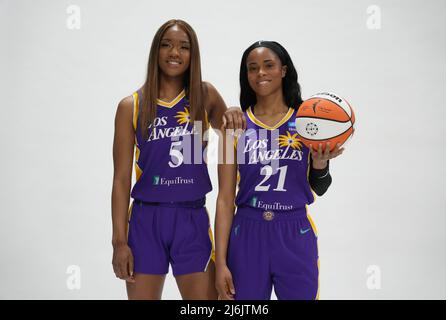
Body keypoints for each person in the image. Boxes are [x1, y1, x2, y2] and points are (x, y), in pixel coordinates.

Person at [111, 19, 240, 300]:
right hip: (146, 221)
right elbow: (121, 179)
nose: (174, 52)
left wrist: (233, 111)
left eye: (184, 47)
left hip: (191, 219)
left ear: (193, 55)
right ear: (155, 51)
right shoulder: (131, 106)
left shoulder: (205, 96)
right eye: (166, 45)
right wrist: (119, 241)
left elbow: (236, 139)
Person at [214, 40, 344, 300]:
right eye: (252, 68)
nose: (260, 72)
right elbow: (225, 199)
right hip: (247, 232)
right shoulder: (234, 128)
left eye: (268, 65)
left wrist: (320, 164)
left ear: (284, 70)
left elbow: (320, 186)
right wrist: (220, 263)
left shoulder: (307, 123)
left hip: (294, 231)